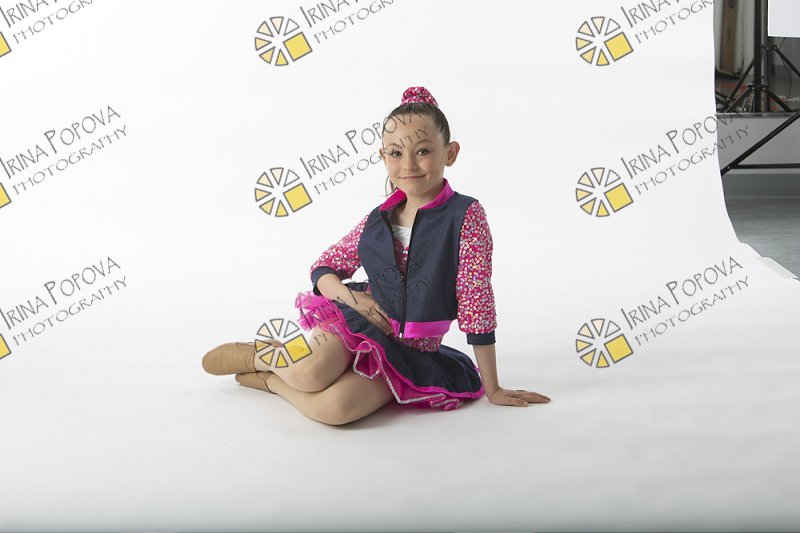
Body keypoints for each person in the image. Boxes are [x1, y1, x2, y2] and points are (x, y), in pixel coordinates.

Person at [202, 86, 550, 425]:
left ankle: (270, 381)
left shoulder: (465, 216)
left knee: (335, 409)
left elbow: (476, 298)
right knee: (311, 374)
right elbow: (324, 268)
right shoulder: (379, 219)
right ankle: (261, 353)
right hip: (355, 321)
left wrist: (494, 387)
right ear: (383, 158)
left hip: (411, 351)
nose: (408, 164)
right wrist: (355, 300)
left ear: (450, 153)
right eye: (395, 153)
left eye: (423, 151)